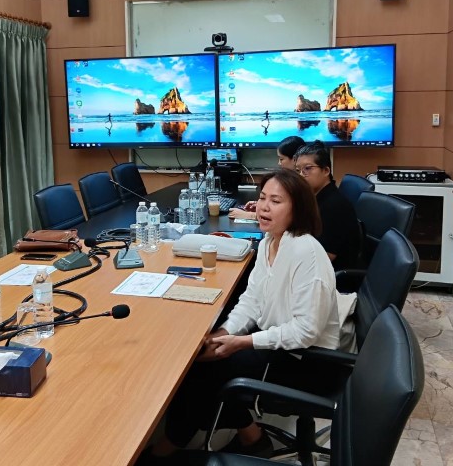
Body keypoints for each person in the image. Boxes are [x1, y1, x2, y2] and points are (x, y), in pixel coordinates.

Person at [145, 169, 340, 461]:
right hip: (280, 346)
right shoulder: (270, 242)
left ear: (298, 209)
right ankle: (248, 436)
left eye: (276, 201)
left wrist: (242, 343)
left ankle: (171, 445)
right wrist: (224, 333)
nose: (263, 207)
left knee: (202, 372)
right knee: (202, 355)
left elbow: (306, 332)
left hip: (306, 361)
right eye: (262, 198)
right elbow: (251, 301)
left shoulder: (306, 252)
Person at [293, 141, 361, 271]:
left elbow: (324, 258)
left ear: (326, 171)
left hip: (330, 275)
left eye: (307, 168)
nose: (301, 175)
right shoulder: (316, 197)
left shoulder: (335, 206)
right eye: (298, 170)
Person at [228, 136, 306, 219]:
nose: (279, 163)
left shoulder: (301, 185)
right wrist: (263, 205)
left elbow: (291, 216)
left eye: (281, 159)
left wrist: (250, 215)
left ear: (295, 159)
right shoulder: (295, 181)